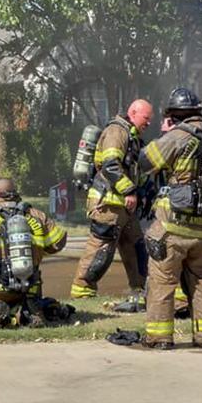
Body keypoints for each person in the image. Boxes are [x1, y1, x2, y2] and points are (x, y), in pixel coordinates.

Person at [136, 87, 202, 349]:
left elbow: (145, 160)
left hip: (175, 225)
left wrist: (166, 133)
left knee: (163, 281)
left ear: (174, 115)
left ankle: (160, 338)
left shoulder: (178, 135)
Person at [0, 178, 73, 329]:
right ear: (16, 193)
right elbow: (59, 242)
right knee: (30, 301)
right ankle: (33, 312)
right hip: (30, 287)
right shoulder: (37, 215)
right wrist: (38, 251)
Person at [71, 100, 154, 302]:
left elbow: (134, 169)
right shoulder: (117, 132)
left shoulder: (132, 136)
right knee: (101, 247)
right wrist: (129, 191)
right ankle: (83, 290)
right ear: (133, 112)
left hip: (124, 208)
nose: (149, 123)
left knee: (135, 246)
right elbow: (110, 165)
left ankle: (140, 290)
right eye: (146, 118)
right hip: (108, 204)